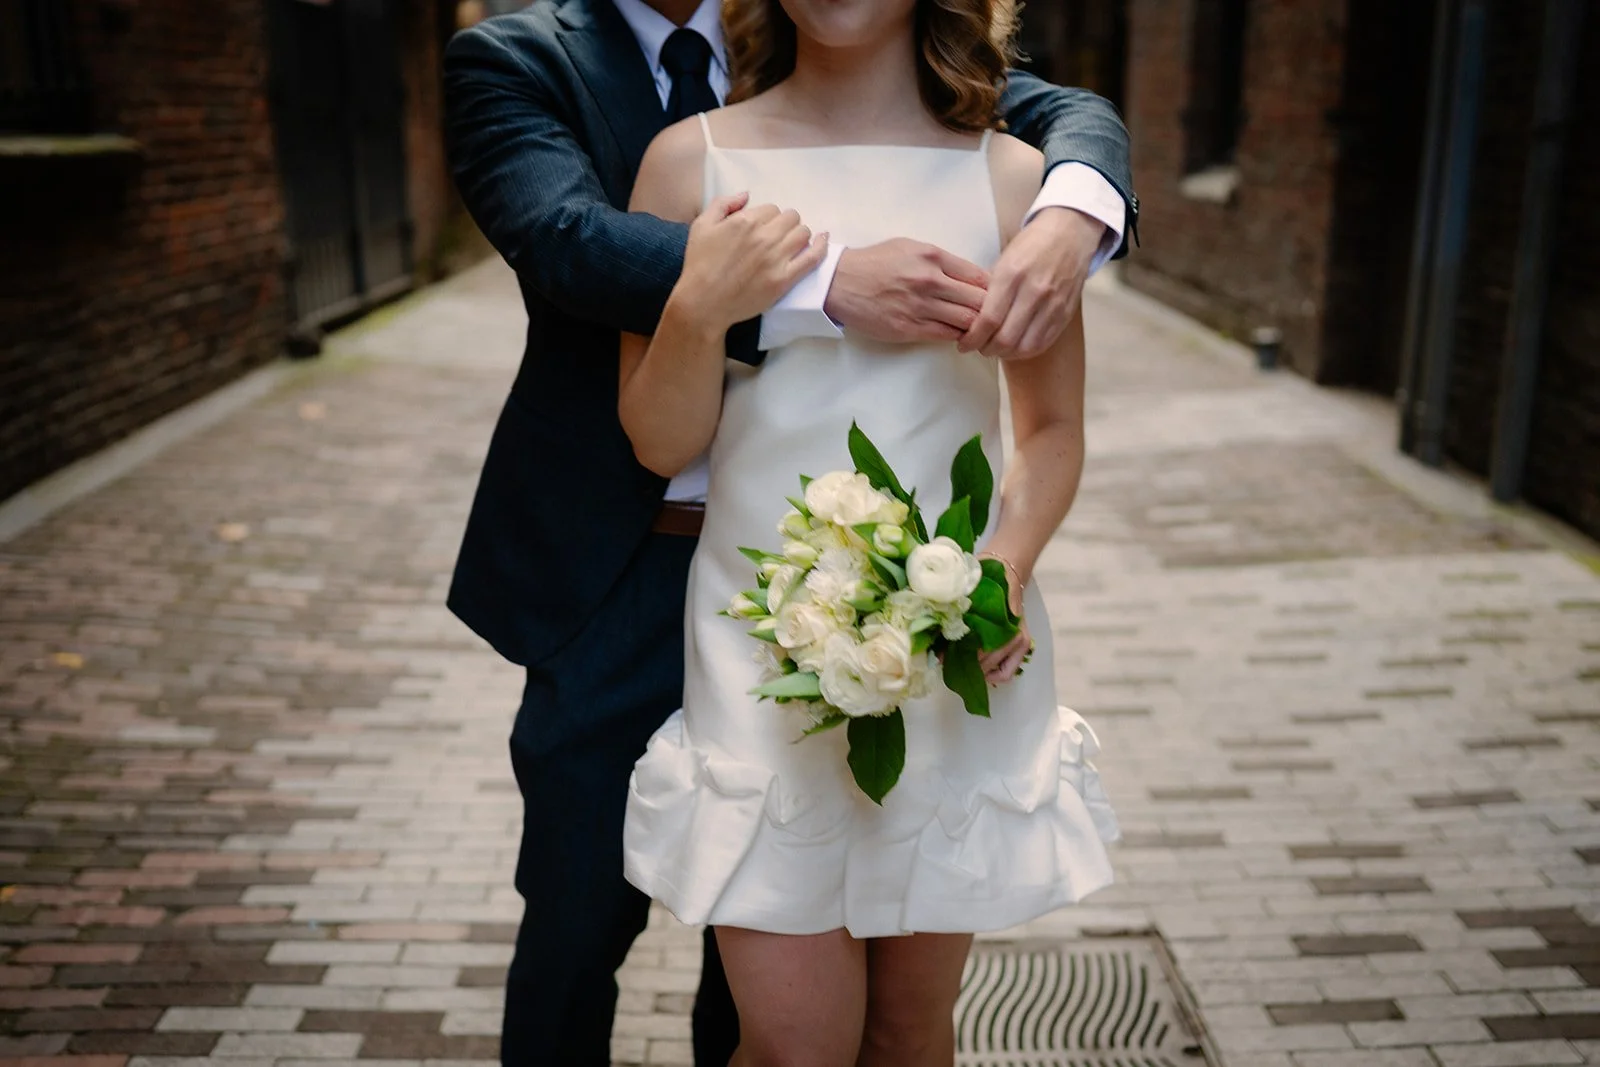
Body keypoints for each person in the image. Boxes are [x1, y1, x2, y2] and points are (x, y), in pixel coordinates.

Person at [441, 0, 1136, 1061]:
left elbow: (1048, 429)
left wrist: (997, 569)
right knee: (782, 1032)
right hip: (746, 638)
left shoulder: (1010, 182)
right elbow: (655, 426)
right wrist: (701, 300)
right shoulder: (683, 159)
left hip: (942, 657)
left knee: (909, 1030)